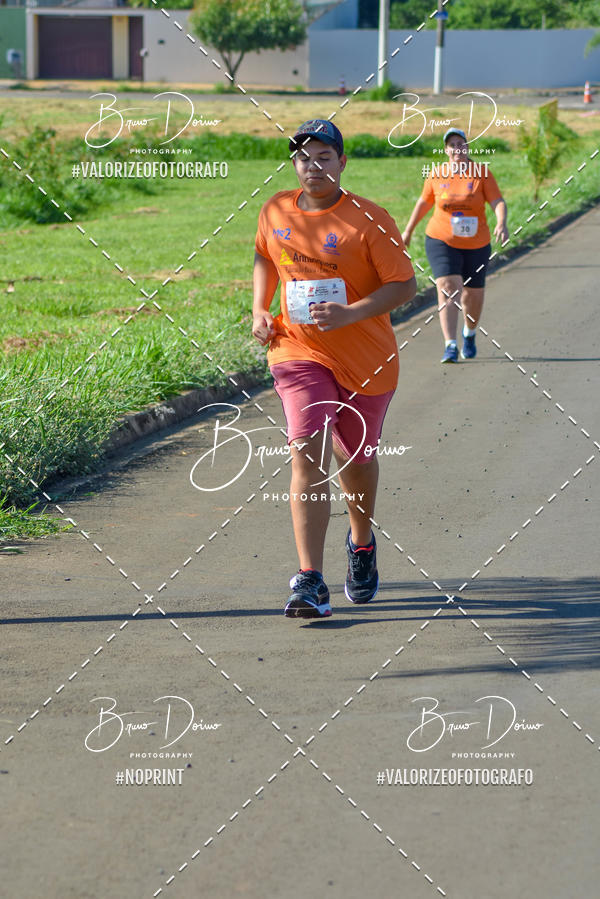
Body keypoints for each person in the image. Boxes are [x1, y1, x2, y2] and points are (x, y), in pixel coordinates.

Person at [252, 119, 416, 619]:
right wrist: (259, 308)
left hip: (367, 361)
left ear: (342, 162)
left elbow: (404, 286)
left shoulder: (369, 219)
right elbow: (263, 256)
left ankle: (361, 543)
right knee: (307, 451)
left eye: (324, 156)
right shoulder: (276, 209)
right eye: (303, 157)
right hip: (297, 351)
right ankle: (310, 580)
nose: (312, 166)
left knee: (357, 460)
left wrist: (350, 313)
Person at [402, 128, 508, 363]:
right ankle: (450, 345)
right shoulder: (436, 174)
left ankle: (469, 334)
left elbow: (497, 201)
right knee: (449, 287)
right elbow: (423, 202)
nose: (457, 148)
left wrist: (501, 221)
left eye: (461, 144)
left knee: (474, 294)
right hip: (441, 239)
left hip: (477, 243)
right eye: (452, 145)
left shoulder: (481, 174)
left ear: (467, 147)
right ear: (446, 150)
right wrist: (408, 231)